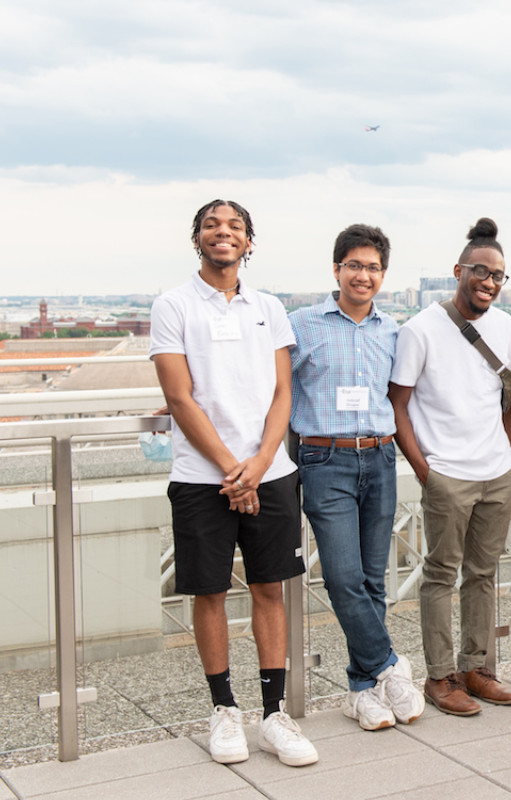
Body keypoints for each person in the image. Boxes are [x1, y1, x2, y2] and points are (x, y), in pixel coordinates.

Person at [149, 200, 318, 766]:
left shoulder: (269, 307)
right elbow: (179, 397)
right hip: (203, 478)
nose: (224, 234)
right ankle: (224, 709)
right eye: (212, 226)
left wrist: (261, 462)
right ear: (196, 237)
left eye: (235, 227)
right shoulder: (172, 305)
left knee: (272, 587)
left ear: (250, 242)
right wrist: (231, 469)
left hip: (270, 474)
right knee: (210, 591)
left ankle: (274, 714)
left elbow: (282, 394)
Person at [289, 223, 426, 731]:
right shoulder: (301, 325)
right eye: (354, 265)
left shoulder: (393, 332)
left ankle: (362, 687)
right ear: (337, 269)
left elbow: (405, 397)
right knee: (341, 577)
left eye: (372, 268)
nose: (363, 275)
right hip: (326, 460)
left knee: (372, 581)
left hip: (381, 456)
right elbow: (271, 387)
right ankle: (392, 664)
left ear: (383, 275)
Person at [388, 218, 511, 716]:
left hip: (496, 472)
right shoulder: (420, 329)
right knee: (441, 575)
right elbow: (397, 405)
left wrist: (510, 452)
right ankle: (440, 677)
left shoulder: (504, 326)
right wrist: (427, 472)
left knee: (484, 574)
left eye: (498, 276)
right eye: (480, 271)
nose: (489, 282)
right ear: (458, 271)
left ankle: (478, 669)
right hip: (448, 474)